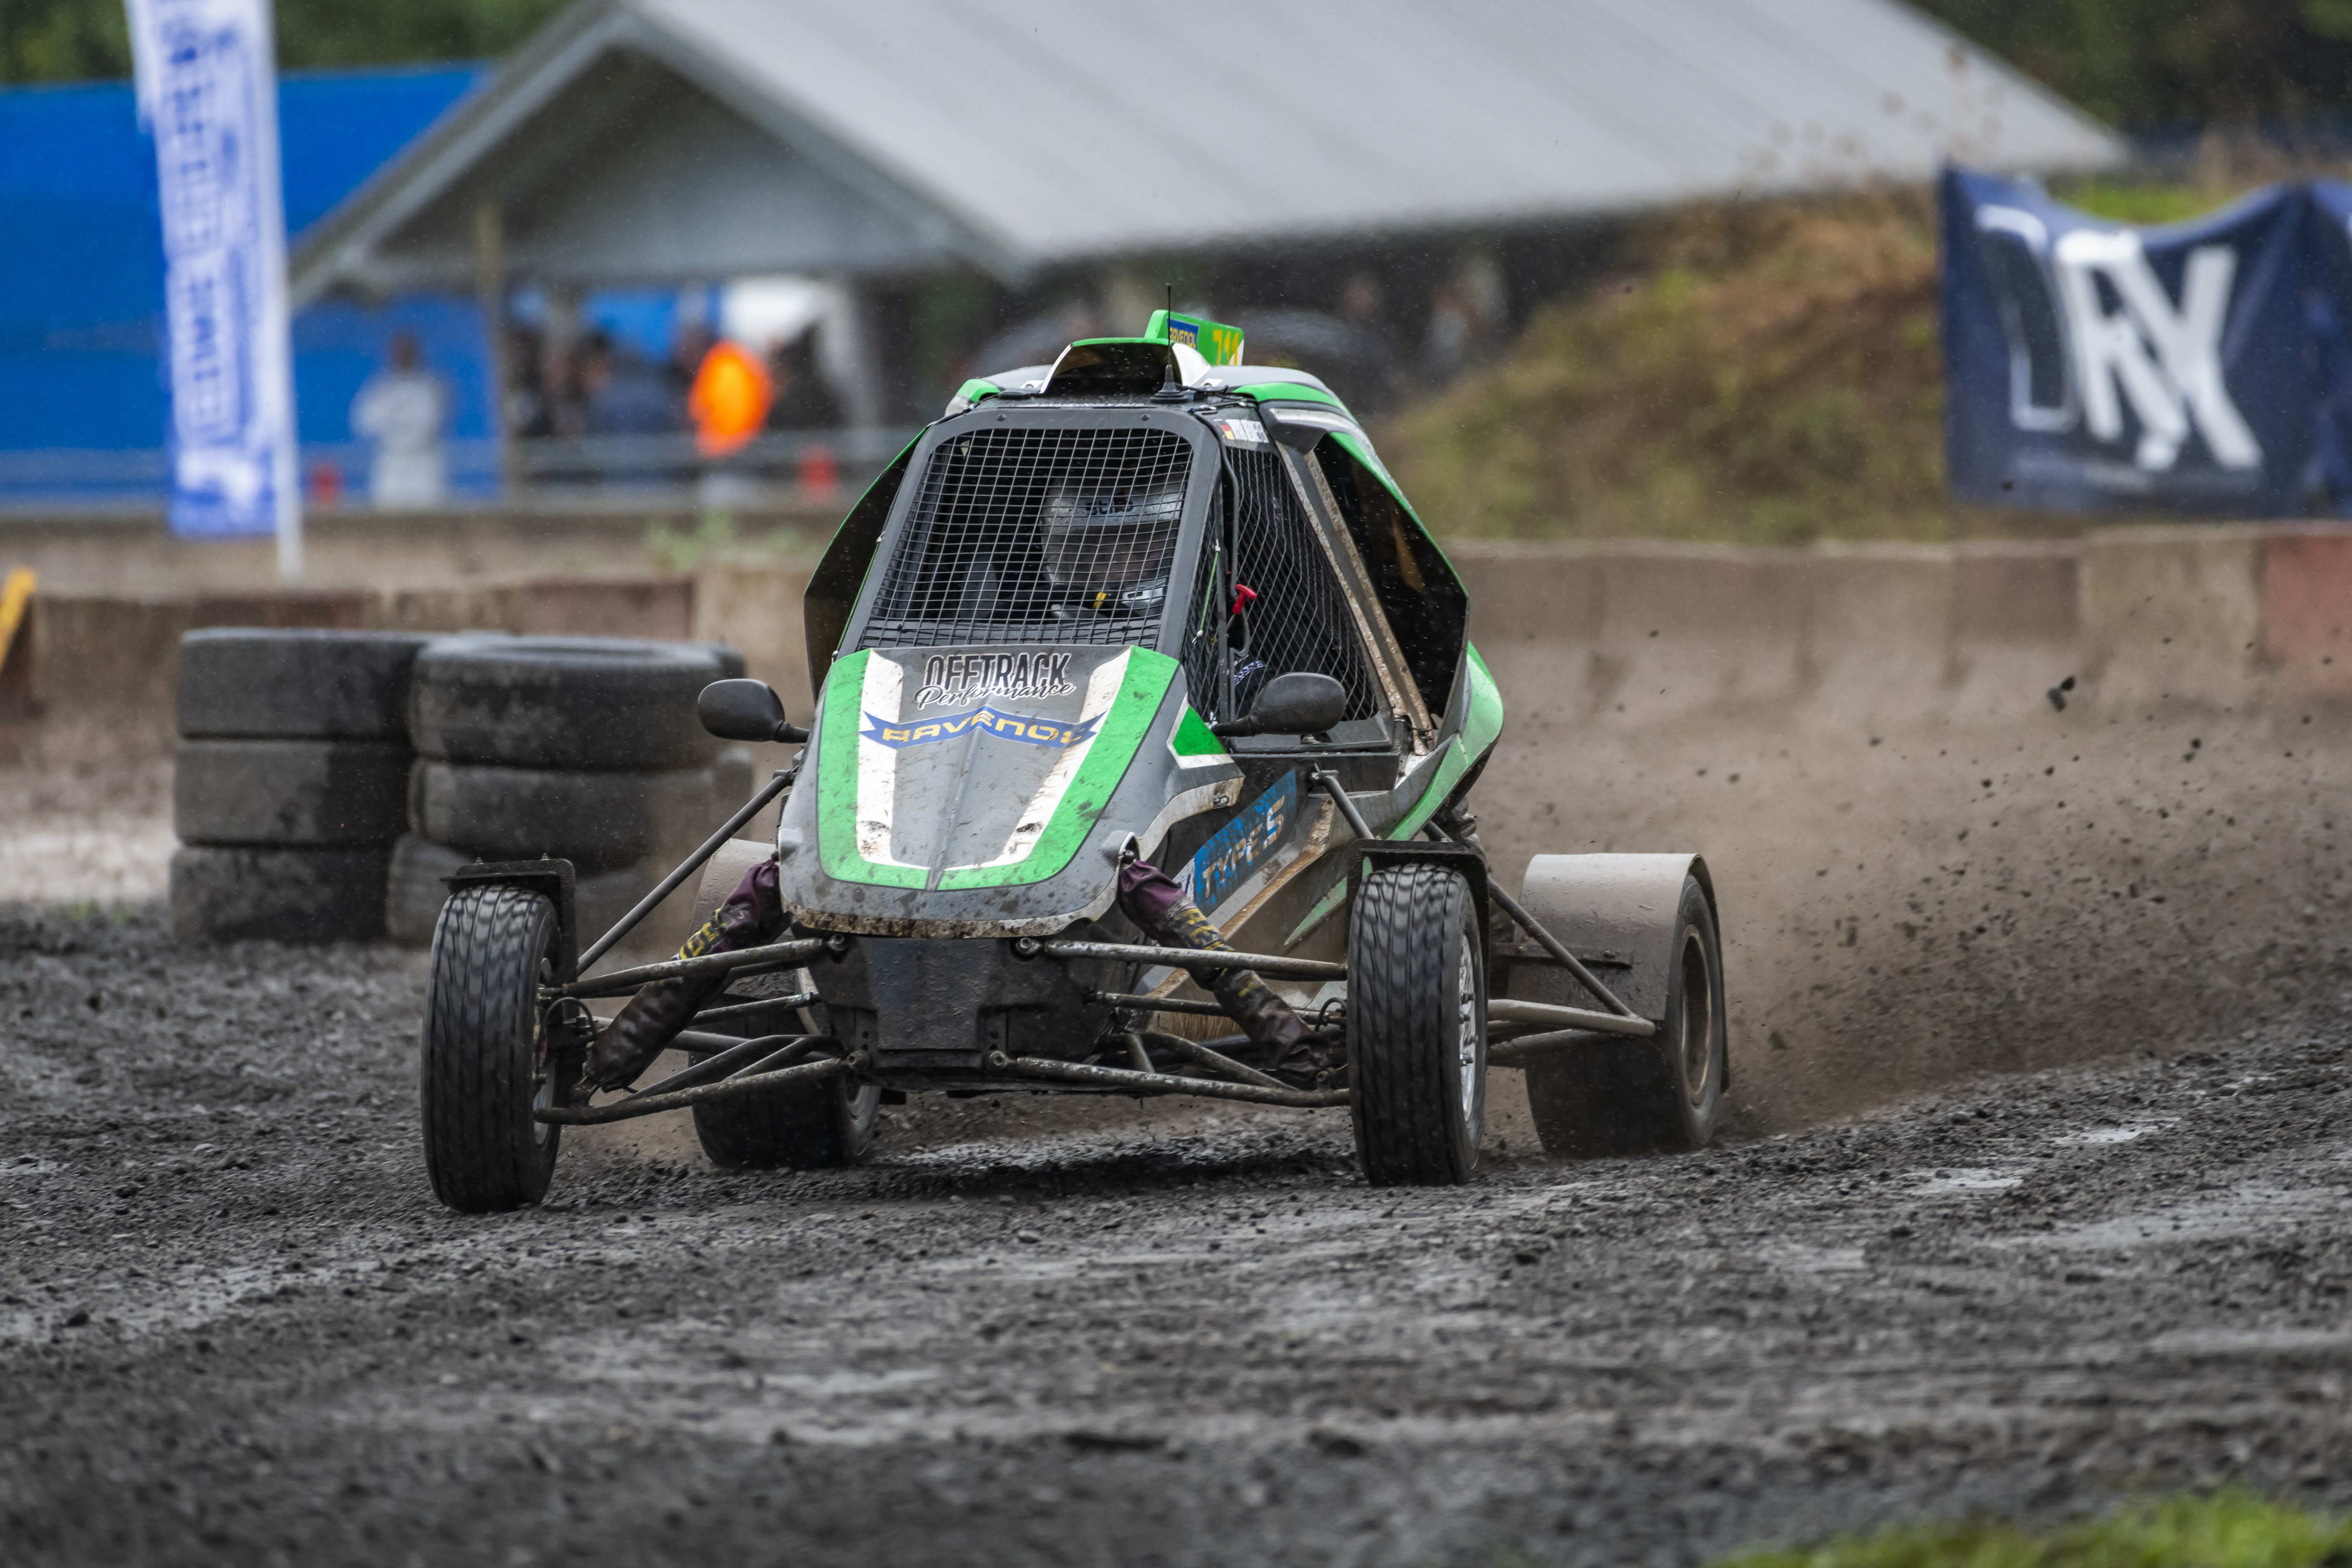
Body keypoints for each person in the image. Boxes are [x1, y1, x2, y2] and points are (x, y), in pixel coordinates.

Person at [349, 329, 448, 508]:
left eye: (407, 352)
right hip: (392, 463)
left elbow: (431, 423)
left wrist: (400, 422)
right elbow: (364, 424)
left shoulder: (431, 387)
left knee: (429, 514)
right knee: (390, 512)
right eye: (398, 352)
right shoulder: (380, 389)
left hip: (424, 463)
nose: (402, 357)